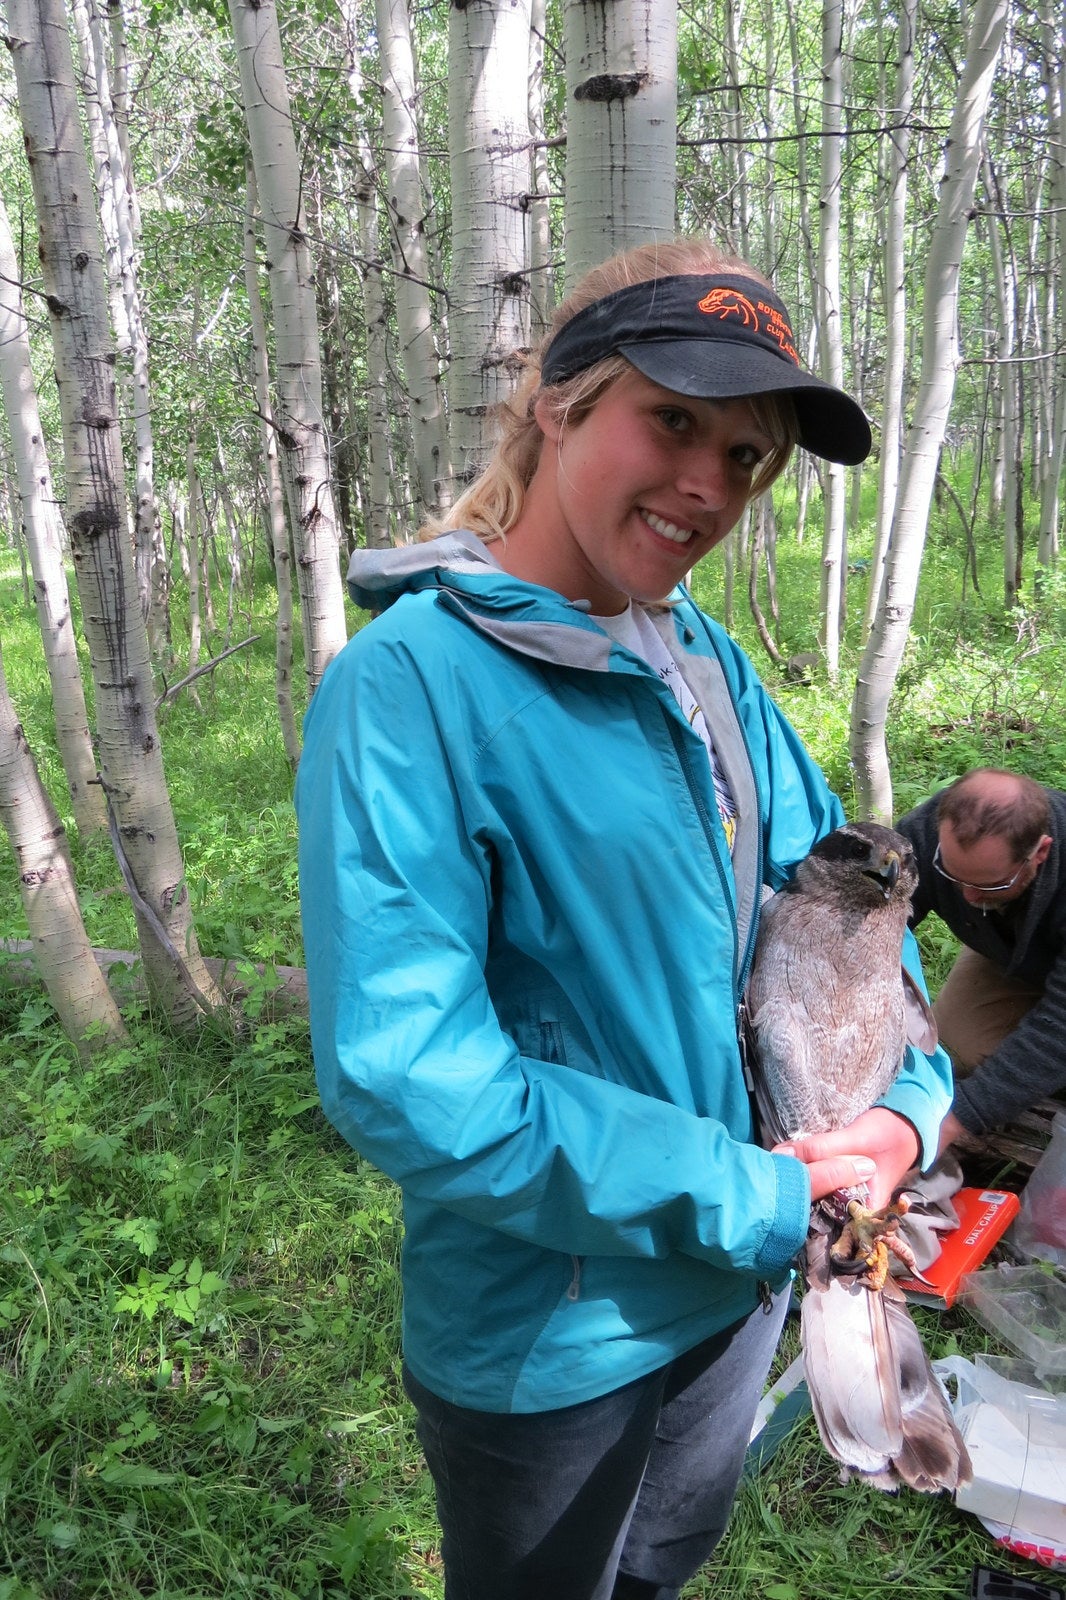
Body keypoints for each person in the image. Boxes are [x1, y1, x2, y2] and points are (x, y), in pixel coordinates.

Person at [295, 240, 953, 1600]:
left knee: (658, 1569)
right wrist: (756, 1195)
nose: (707, 486)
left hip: (738, 1291)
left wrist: (906, 1115)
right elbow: (408, 1079)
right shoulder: (413, 686)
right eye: (672, 421)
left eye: (749, 456)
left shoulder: (702, 661)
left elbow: (840, 927)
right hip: (557, 1331)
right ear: (558, 402)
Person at [896, 768, 1063, 1156]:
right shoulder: (925, 834)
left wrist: (957, 1121)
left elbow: (1060, 1029)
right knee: (955, 1045)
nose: (969, 897)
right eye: (953, 877)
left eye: (991, 885)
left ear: (1040, 852)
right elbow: (881, 919)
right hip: (1011, 954)